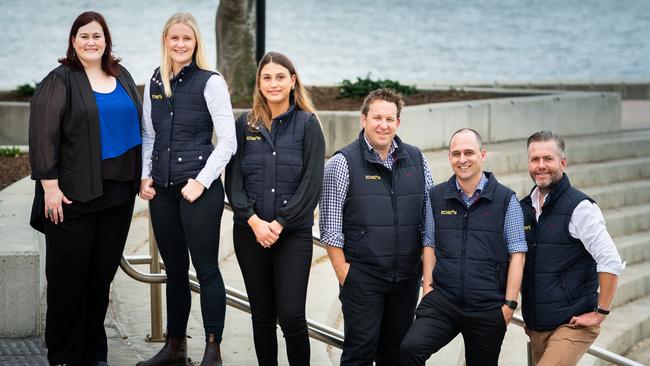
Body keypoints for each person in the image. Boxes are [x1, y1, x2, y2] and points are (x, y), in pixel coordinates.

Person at [28, 11, 142, 366]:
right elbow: (41, 135)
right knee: (67, 282)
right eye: (84, 36)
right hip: (72, 197)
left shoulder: (121, 76)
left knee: (99, 280)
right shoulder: (61, 80)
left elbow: (139, 126)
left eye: (97, 35)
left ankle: (95, 354)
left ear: (106, 40)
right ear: (73, 41)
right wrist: (49, 186)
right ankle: (63, 356)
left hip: (118, 196)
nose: (91, 42)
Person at [137, 12, 236, 366]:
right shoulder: (154, 81)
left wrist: (202, 180)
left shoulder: (211, 82)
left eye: (187, 39)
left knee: (207, 269)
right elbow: (150, 135)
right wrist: (145, 175)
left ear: (196, 43)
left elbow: (228, 141)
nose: (180, 44)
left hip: (199, 189)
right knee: (174, 271)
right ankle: (174, 348)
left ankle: (213, 349)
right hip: (162, 190)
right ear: (165, 40)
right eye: (175, 38)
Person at [319, 88, 434, 365]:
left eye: (390, 119)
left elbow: (430, 221)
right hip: (363, 279)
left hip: (406, 280)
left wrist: (425, 272)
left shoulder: (418, 160)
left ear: (398, 123)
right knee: (360, 353)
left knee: (396, 354)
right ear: (363, 120)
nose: (383, 125)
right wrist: (345, 273)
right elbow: (330, 228)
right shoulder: (341, 163)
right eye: (377, 118)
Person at [224, 51, 325, 366]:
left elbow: (311, 186)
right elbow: (234, 182)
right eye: (266, 77)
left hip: (292, 235)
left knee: (292, 316)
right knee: (262, 315)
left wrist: (279, 224)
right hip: (250, 233)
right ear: (259, 83)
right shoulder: (245, 124)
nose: (273, 83)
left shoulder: (309, 125)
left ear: (293, 80)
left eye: (280, 77)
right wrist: (254, 221)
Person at [400, 128, 527, 366]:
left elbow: (517, 255)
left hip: (487, 307)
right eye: (456, 153)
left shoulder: (506, 200)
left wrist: (509, 306)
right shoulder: (436, 197)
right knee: (410, 349)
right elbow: (429, 244)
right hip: (443, 302)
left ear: (483, 154)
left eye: (469, 152)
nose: (462, 159)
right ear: (449, 157)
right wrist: (428, 288)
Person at [520, 130, 624, 366]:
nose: (541, 165)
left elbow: (610, 260)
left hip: (572, 323)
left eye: (548, 159)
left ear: (563, 162)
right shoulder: (523, 208)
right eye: (535, 159)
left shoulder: (581, 208)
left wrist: (601, 312)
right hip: (537, 325)